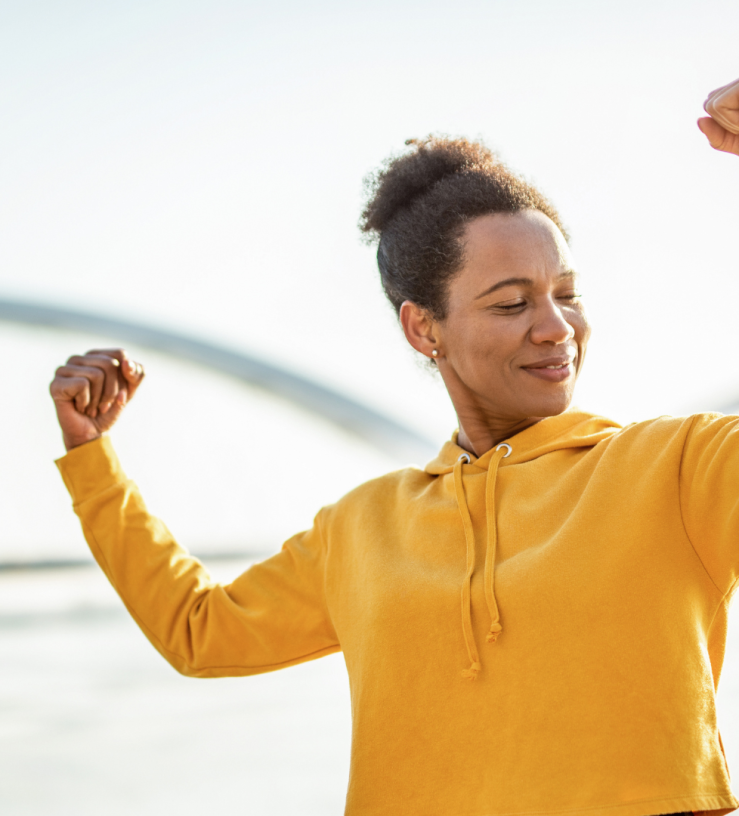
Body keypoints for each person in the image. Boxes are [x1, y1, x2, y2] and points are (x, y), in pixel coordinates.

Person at [50, 80, 739, 816]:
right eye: (511, 302)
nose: (556, 328)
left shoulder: (681, 468)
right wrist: (92, 460)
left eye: (564, 293)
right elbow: (200, 633)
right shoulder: (362, 525)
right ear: (423, 329)